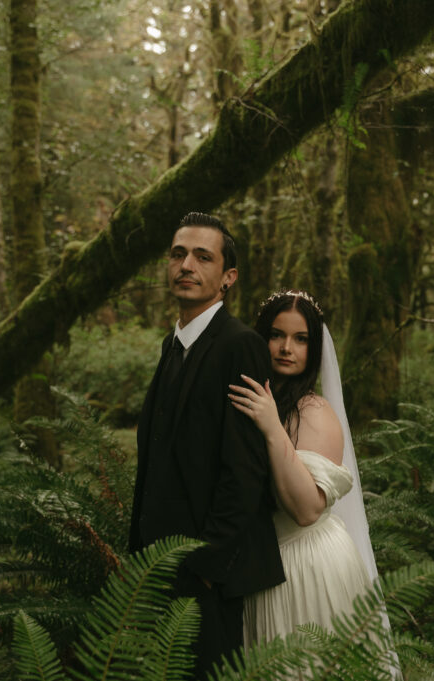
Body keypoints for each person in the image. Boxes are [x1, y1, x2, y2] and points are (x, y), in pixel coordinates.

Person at [129, 212, 285, 678]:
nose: (186, 265)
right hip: (157, 564)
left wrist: (206, 566)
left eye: (202, 256)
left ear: (228, 277)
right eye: (178, 254)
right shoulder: (170, 344)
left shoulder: (241, 346)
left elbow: (245, 468)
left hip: (204, 572)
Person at [227, 289, 384, 646]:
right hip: (263, 566)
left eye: (301, 339)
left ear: (314, 349)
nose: (286, 348)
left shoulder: (314, 411)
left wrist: (271, 427)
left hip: (308, 566)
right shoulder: (253, 398)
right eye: (277, 335)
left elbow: (306, 509)